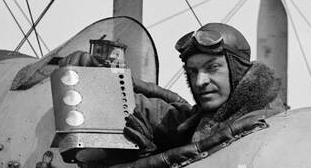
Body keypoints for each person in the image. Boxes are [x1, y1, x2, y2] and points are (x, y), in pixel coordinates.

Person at [122, 22, 285, 154]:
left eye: (212, 67)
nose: (200, 81)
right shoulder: (213, 116)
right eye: (193, 72)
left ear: (238, 71)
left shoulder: (260, 126)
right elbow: (164, 115)